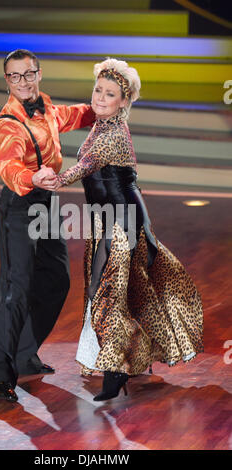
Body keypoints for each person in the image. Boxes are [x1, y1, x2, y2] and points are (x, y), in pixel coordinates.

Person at [47, 57, 204, 401]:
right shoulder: (101, 125)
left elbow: (83, 167)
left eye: (110, 94)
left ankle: (116, 370)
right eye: (98, 90)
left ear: (124, 101)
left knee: (106, 295)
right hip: (105, 220)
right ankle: (123, 359)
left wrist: (52, 180)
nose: (100, 98)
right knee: (110, 294)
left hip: (121, 223)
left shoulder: (112, 133)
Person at [0, 49, 95, 401]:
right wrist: (33, 177)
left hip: (46, 202)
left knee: (56, 279)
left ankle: (24, 354)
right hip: (19, 202)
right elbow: (8, 166)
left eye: (28, 75)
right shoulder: (8, 122)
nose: (22, 83)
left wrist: (106, 106)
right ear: (7, 81)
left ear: (39, 74)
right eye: (14, 77)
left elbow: (73, 115)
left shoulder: (46, 108)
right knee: (16, 288)